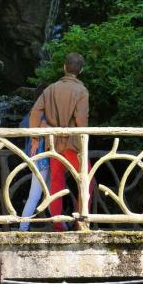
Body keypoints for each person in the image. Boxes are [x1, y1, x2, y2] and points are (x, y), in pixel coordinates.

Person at [29, 52, 91, 231]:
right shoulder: (81, 91)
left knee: (56, 182)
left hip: (54, 144)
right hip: (73, 145)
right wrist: (83, 142)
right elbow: (81, 120)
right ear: (81, 70)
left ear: (64, 67)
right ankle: (81, 221)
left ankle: (58, 223)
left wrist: (35, 137)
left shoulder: (50, 89)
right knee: (87, 181)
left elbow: (35, 112)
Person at [19, 85, 50, 232]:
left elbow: (23, 125)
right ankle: (23, 228)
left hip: (38, 158)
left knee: (48, 193)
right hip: (42, 159)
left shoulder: (33, 112)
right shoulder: (41, 113)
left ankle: (60, 224)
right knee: (35, 195)